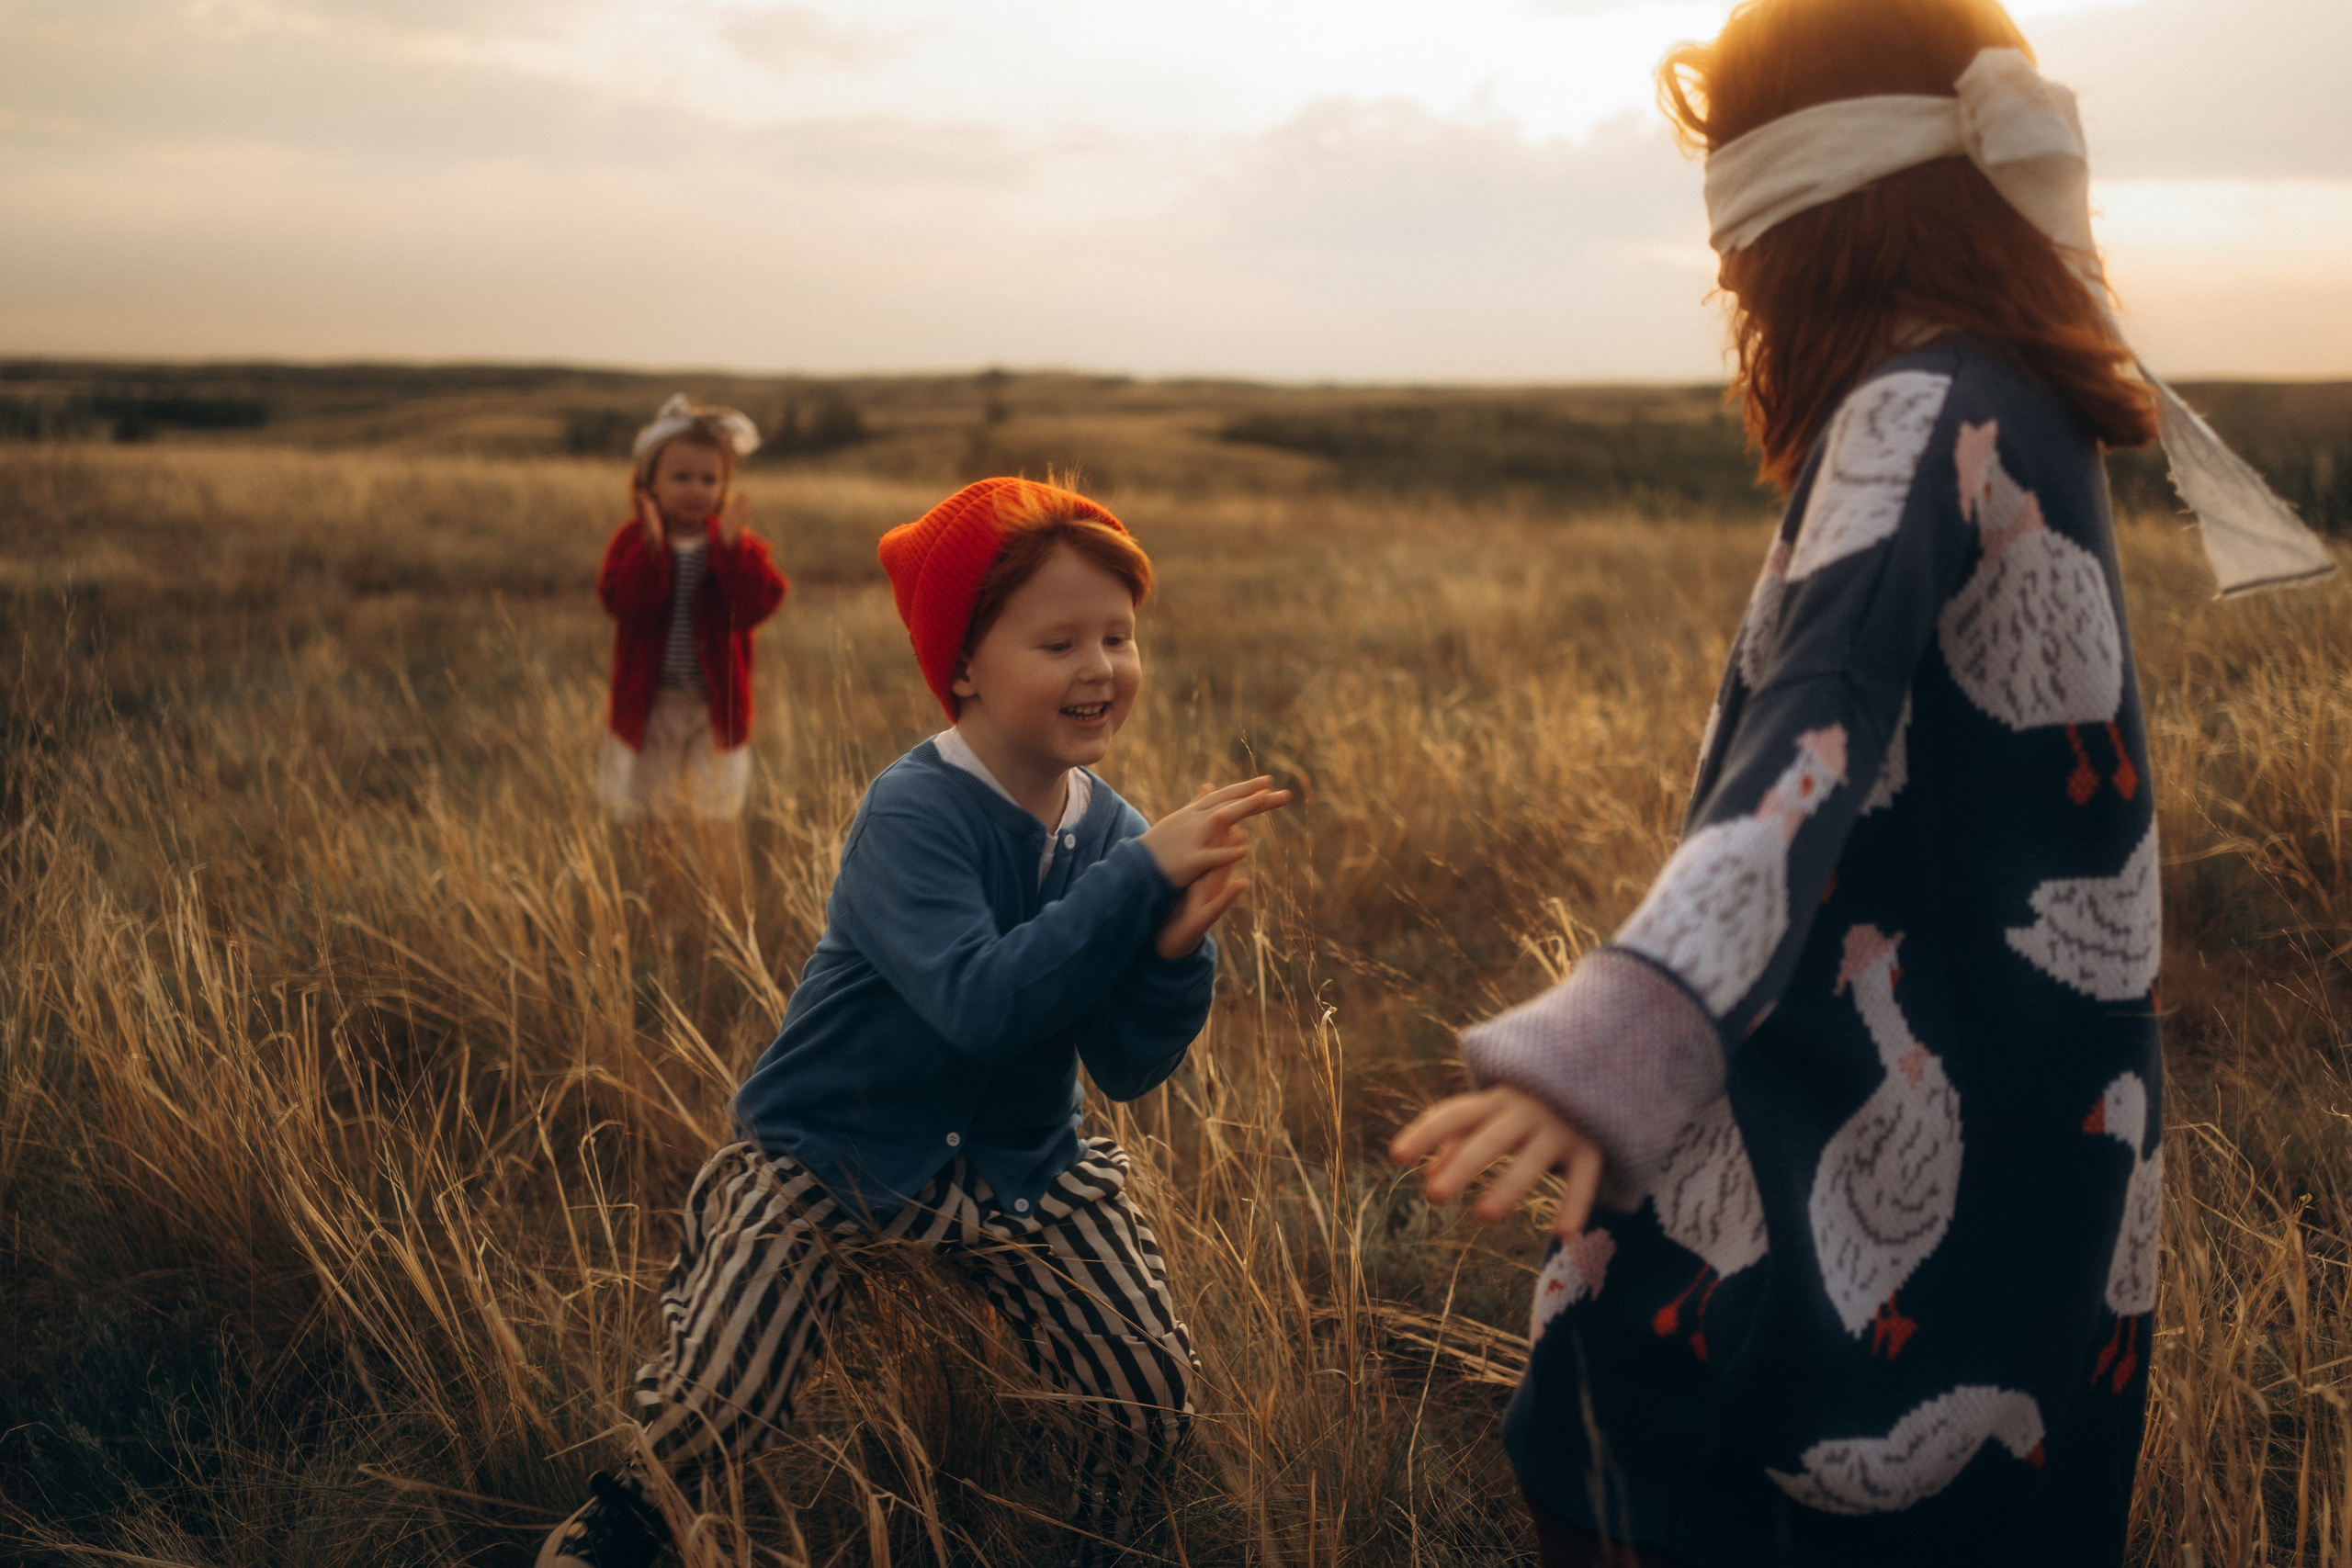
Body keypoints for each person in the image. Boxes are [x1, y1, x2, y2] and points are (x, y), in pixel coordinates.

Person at [1395, 0, 2325, 1561]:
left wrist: (1623, 1026)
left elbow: (1814, 724)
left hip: (1842, 1126)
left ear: (1801, 223)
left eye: (1735, 237)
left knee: (1623, 1457)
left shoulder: (1917, 406)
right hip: (2039, 1161)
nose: (1731, 279)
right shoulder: (2015, 389)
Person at [540, 477, 1290, 1568]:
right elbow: (981, 1005)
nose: (1099, 667)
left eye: (1118, 636)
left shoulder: (1114, 833)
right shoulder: (914, 811)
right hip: (833, 1147)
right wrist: (1135, 885)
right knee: (726, 1386)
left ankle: (1092, 1539)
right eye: (1058, 643)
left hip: (1022, 1162)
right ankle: (630, 1521)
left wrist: (1173, 953)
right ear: (963, 667)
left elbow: (1128, 1066)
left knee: (1143, 1389)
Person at [595, 395, 787, 827]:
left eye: (709, 479)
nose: (696, 489)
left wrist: (732, 551)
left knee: (714, 813)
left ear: (724, 486)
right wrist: (651, 551)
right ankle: (660, 867)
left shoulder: (733, 543)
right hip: (653, 701)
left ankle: (715, 863)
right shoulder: (634, 542)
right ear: (649, 484)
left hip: (713, 703)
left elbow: (756, 606)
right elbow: (626, 607)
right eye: (681, 477)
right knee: (653, 812)